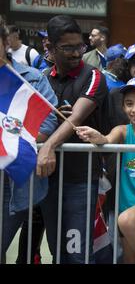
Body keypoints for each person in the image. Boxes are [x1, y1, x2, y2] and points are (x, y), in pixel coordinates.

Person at [36, 15, 109, 264]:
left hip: (80, 180)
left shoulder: (93, 76)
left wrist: (49, 145)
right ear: (50, 47)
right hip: (47, 180)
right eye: (68, 48)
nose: (77, 53)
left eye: (80, 46)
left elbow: (76, 117)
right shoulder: (42, 78)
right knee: (58, 251)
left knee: (76, 253)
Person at [76, 76, 135, 264]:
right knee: (128, 259)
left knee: (127, 221)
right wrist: (97, 136)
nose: (134, 109)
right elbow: (107, 140)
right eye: (129, 104)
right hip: (126, 204)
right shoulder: (122, 131)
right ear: (123, 107)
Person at [0, 23, 58, 264]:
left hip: (15, 180)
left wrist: (11, 139)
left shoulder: (32, 79)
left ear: (5, 44)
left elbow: (48, 121)